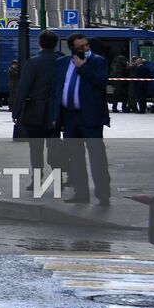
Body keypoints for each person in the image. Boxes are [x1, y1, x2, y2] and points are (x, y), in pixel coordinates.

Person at [51, 31, 111, 205]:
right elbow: (57, 90)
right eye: (81, 47)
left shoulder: (98, 61)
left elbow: (101, 83)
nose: (85, 48)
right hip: (70, 117)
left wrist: (83, 67)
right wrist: (56, 116)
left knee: (97, 157)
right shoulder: (61, 64)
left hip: (91, 117)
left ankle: (103, 194)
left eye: (87, 45)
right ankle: (81, 192)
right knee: (75, 157)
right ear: (72, 49)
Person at [12, 29, 65, 181]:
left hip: (35, 111)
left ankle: (36, 178)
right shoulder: (62, 61)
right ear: (55, 44)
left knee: (35, 148)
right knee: (54, 145)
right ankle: (58, 177)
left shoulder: (33, 62)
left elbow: (23, 88)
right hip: (56, 111)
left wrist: (16, 112)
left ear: (39, 43)